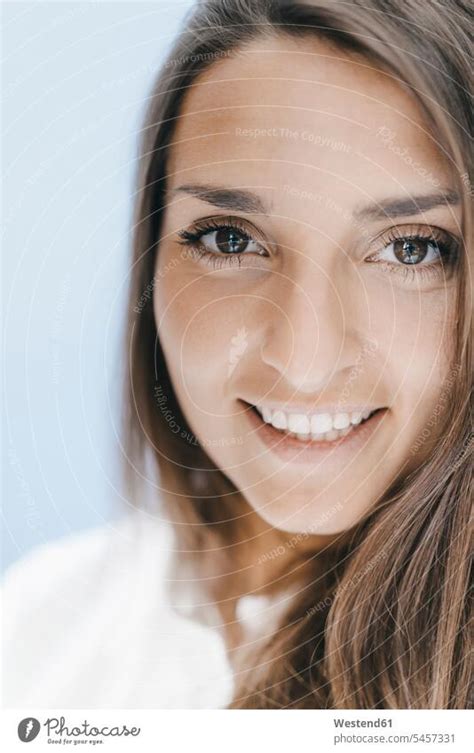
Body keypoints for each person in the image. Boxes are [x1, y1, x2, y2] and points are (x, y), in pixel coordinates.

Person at [3, 0, 472, 710]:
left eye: (411, 248)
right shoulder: (41, 626)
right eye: (230, 240)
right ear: (152, 255)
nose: (304, 361)